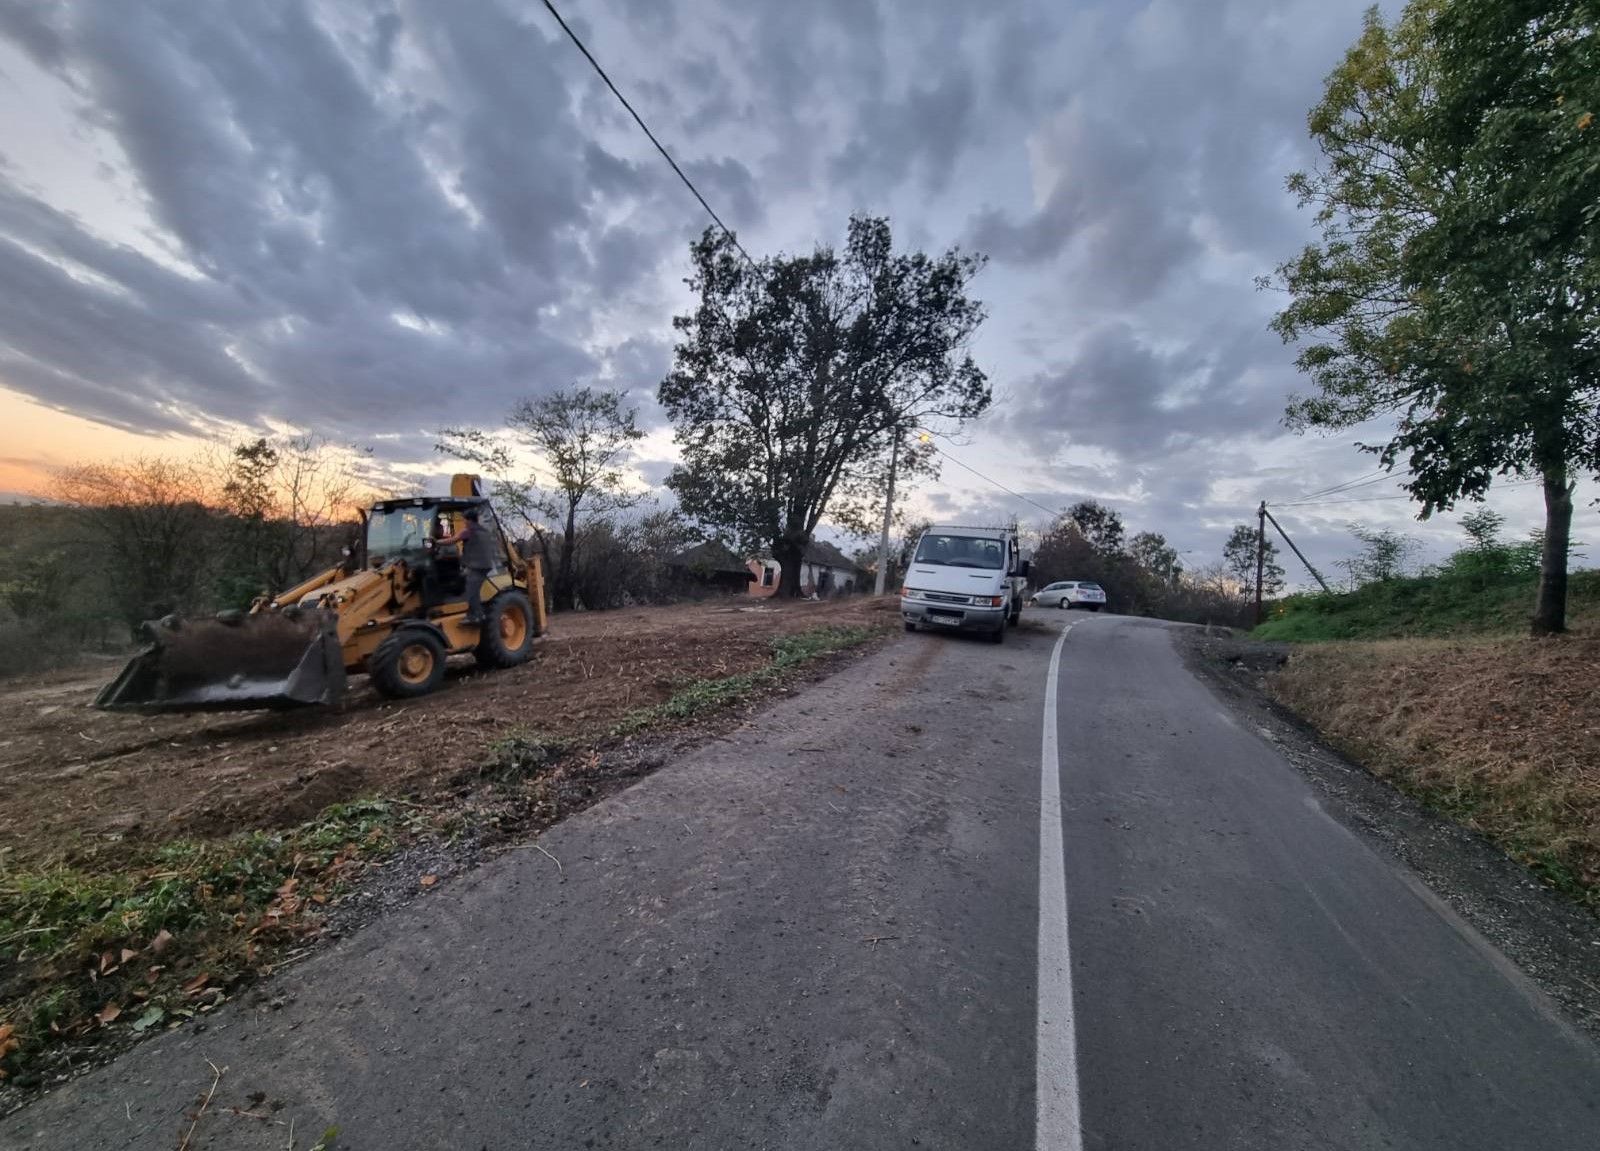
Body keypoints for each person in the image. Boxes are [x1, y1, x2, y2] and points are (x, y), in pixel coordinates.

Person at [435, 507, 497, 625]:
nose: (464, 522)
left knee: (470, 591)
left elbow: (452, 540)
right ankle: (479, 614)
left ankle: (474, 616)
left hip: (476, 566)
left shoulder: (469, 531)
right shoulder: (484, 531)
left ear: (469, 520)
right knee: (475, 590)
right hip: (486, 565)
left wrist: (436, 542)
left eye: (465, 520)